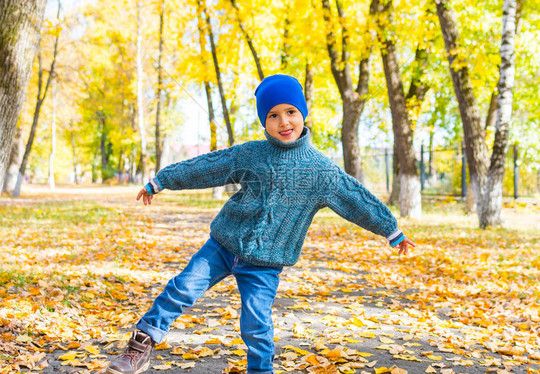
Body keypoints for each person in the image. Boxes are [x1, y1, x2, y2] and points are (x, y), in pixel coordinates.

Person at [106, 74, 415, 374]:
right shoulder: (252, 154)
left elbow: (355, 199)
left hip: (265, 264)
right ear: (264, 122)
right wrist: (162, 180)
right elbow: (208, 167)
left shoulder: (321, 171)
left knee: (256, 326)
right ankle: (139, 348)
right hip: (223, 245)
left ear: (302, 113)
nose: (284, 122)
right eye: (273, 115)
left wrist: (391, 229)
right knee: (181, 289)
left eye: (291, 112)